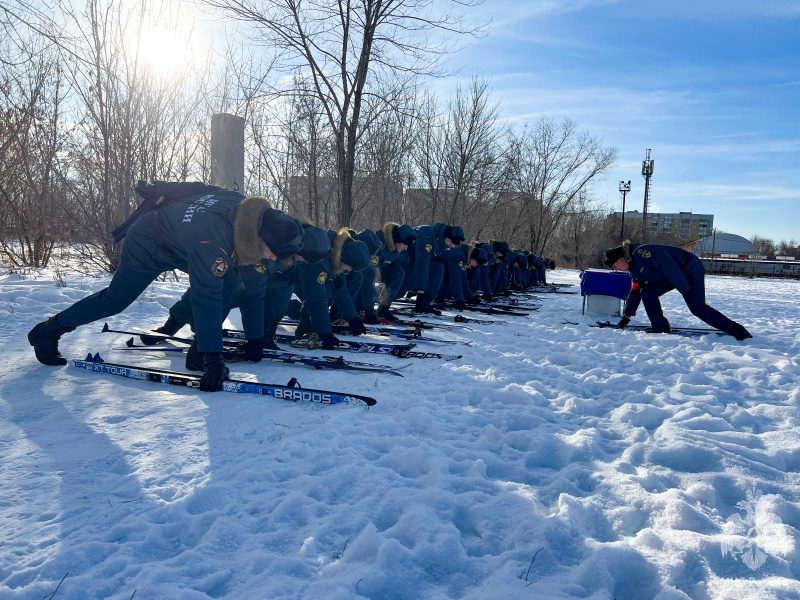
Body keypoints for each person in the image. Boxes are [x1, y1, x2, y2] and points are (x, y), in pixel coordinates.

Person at [28, 186, 304, 391]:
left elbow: (203, 189)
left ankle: (197, 353)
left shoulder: (243, 205)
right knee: (116, 299)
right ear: (260, 236)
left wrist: (165, 188)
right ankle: (48, 330)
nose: (270, 259)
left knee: (230, 281)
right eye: (272, 253)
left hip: (181, 241)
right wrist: (216, 360)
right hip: (148, 243)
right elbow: (206, 296)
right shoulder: (213, 243)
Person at [604, 240, 752, 340]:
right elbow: (635, 291)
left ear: (621, 259)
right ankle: (660, 328)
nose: (617, 270)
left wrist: (685, 290)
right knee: (647, 292)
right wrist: (627, 316)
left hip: (689, 269)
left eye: (615, 267)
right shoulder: (633, 270)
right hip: (671, 277)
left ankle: (739, 332)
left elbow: (670, 267)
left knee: (697, 308)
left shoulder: (644, 252)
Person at [404, 223, 466, 314]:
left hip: (417, 256)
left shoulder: (442, 242)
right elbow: (422, 265)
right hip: (405, 254)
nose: (452, 246)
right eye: (451, 243)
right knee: (410, 280)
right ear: (447, 238)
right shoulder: (428, 238)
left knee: (438, 268)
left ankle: (426, 302)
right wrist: (420, 295)